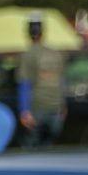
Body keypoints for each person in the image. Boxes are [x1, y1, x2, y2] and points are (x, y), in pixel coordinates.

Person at [14, 14, 65, 145]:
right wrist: (63, 105)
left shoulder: (27, 55)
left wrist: (24, 110)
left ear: (28, 32)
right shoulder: (56, 54)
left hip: (36, 109)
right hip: (56, 109)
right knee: (49, 149)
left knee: (31, 152)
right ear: (43, 32)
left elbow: (24, 84)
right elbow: (62, 81)